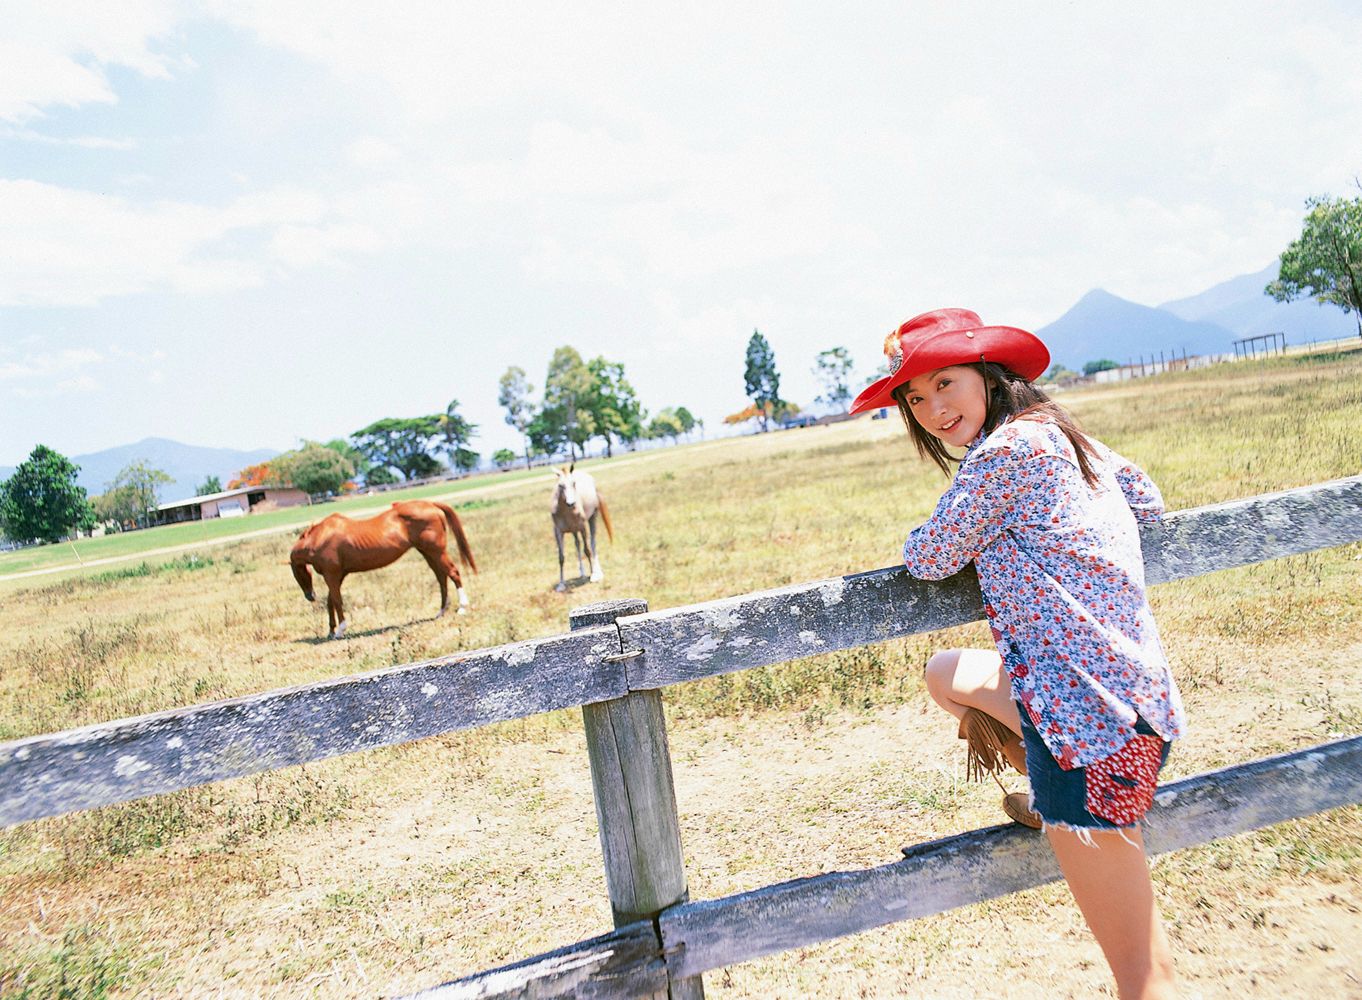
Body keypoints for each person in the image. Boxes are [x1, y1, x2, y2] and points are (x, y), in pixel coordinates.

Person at [849, 308, 1185, 1000]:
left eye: (945, 384)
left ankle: (1050, 793)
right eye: (915, 398)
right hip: (1123, 702)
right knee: (949, 674)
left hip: (1087, 736)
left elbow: (933, 554)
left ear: (988, 376)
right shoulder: (1057, 433)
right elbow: (1147, 501)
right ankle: (1038, 795)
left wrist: (1003, 538)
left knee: (1145, 979)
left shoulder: (1002, 456)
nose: (932, 408)